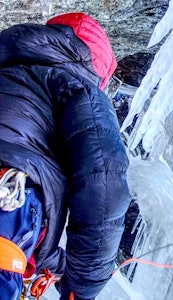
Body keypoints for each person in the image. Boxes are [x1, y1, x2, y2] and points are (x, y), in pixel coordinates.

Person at [0, 12, 131, 300]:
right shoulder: (78, 88)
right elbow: (103, 181)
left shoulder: (7, 70)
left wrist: (60, 267)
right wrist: (82, 287)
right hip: (8, 192)